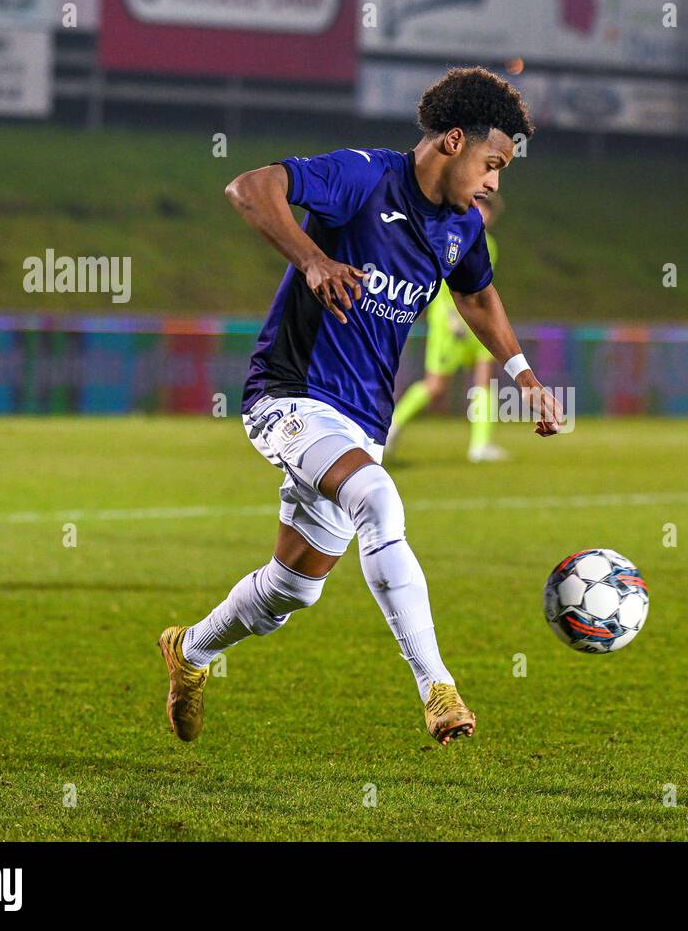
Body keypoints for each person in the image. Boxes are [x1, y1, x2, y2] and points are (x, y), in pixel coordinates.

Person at [157, 67, 564, 746]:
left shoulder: (460, 227)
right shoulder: (363, 177)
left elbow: (477, 296)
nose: (494, 182)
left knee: (294, 589)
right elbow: (250, 187)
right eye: (492, 164)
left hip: (361, 419)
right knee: (378, 500)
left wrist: (522, 374)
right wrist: (314, 260)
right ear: (454, 142)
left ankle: (191, 652)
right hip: (289, 395)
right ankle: (438, 689)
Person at [386, 192, 508, 463]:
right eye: (478, 209)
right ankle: (391, 426)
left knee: (484, 378)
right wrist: (452, 316)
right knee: (435, 386)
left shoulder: (489, 244)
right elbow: (441, 280)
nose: (482, 215)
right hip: (449, 323)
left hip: (475, 321)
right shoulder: (452, 237)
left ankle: (480, 445)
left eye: (487, 211)